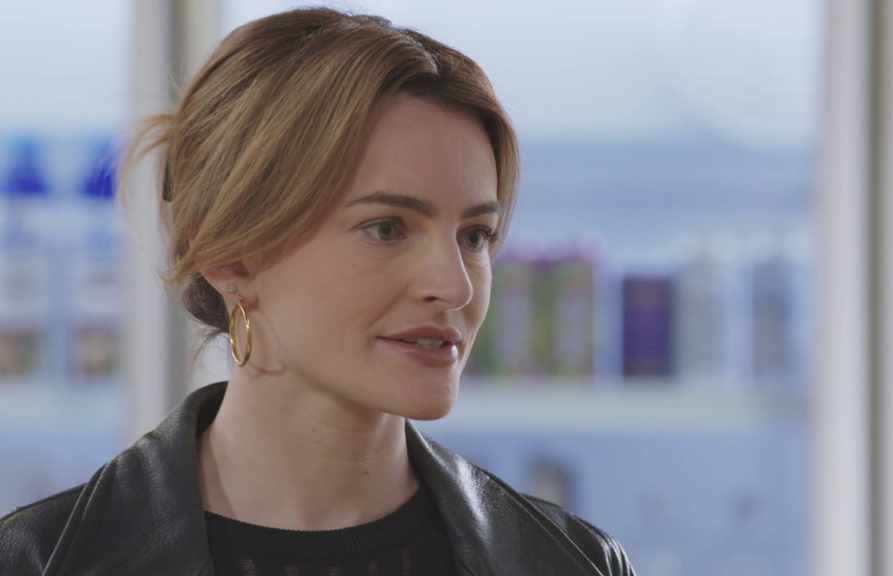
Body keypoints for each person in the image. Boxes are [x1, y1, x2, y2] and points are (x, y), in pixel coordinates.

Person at [0, 7, 635, 576]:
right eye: (387, 228)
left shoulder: (575, 562)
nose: (454, 285)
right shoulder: (35, 561)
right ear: (228, 254)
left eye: (475, 236)